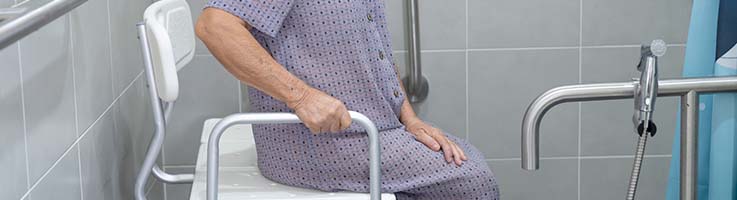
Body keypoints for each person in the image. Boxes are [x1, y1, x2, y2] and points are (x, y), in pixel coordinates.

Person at [195, 0, 499, 199]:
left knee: (462, 159)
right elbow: (214, 26)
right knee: (472, 181)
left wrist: (410, 118)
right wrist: (300, 97)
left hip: (368, 130)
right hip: (321, 144)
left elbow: (375, 52)